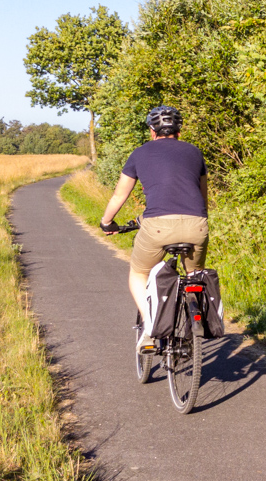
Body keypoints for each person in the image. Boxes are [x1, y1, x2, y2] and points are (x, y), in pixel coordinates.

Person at [100, 105, 208, 353]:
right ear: (179, 130)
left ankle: (150, 326)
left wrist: (107, 222)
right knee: (195, 275)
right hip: (197, 225)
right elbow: (203, 198)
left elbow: (119, 195)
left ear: (152, 131)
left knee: (138, 274)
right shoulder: (195, 153)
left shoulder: (140, 154)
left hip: (157, 227)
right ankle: (194, 319)